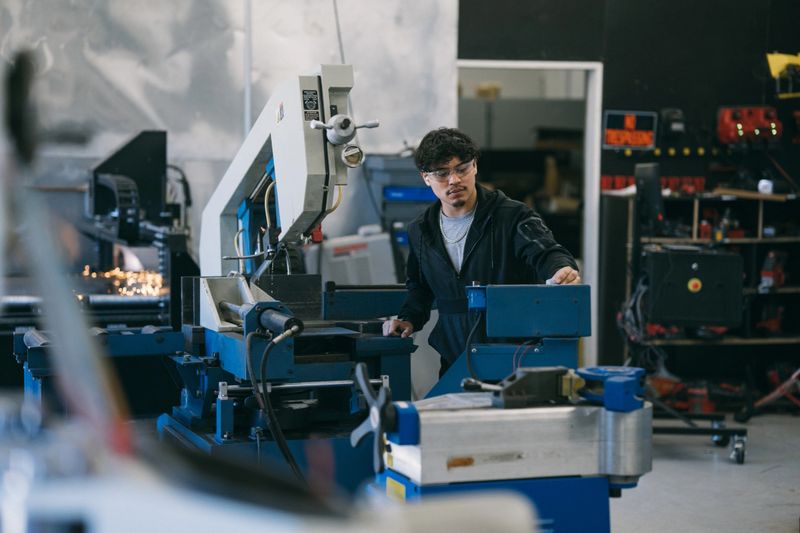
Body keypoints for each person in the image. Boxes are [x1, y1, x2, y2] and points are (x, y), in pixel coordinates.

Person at [382, 127, 580, 374]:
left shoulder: (512, 216)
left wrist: (561, 268)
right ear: (426, 177)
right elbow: (419, 288)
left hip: (513, 357)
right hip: (454, 358)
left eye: (461, 169)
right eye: (442, 173)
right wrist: (408, 318)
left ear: (474, 166)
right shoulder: (421, 231)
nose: (454, 180)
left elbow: (546, 251)